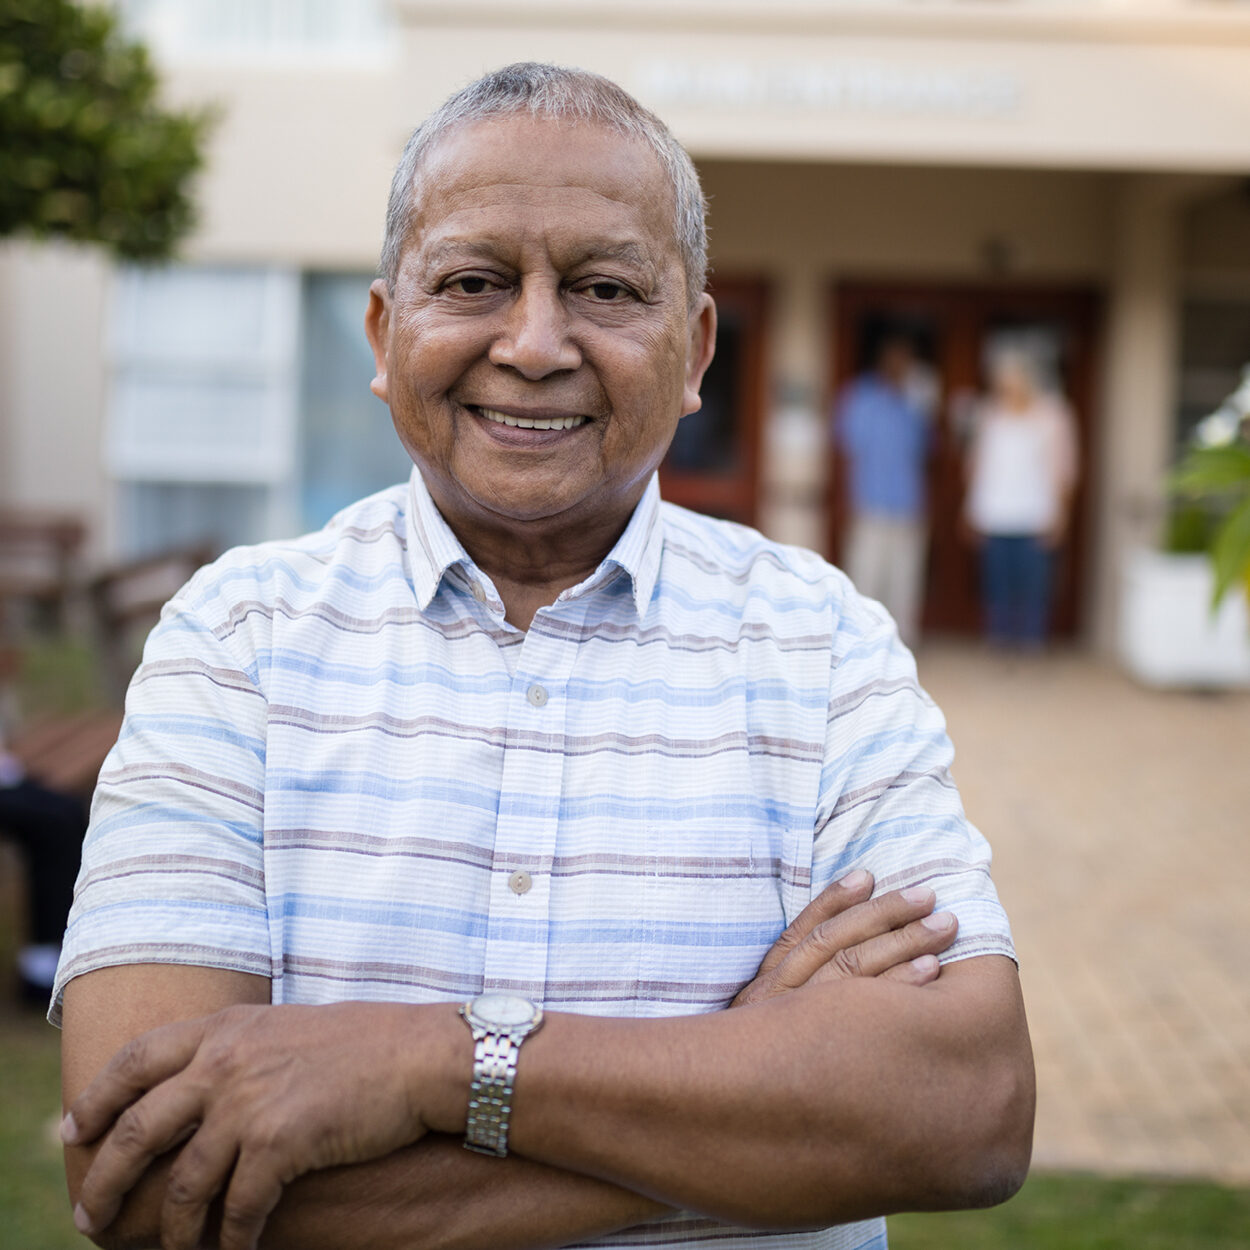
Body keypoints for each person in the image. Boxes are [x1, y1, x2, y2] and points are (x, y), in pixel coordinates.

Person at [56, 64, 1033, 1250]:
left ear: (694, 350)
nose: (531, 343)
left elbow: (965, 1110)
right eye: (471, 281)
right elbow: (150, 1177)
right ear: (381, 330)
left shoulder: (820, 642)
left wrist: (432, 1061)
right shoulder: (235, 640)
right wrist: (750, 1097)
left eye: (604, 287)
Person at [963, 349, 1079, 649]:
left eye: (1014, 383)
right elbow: (978, 468)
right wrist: (970, 511)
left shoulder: (1053, 416)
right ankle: (999, 643)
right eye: (1004, 384)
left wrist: (1061, 514)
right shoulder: (990, 415)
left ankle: (1030, 645)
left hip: (1035, 516)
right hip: (995, 514)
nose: (1009, 390)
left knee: (1033, 587)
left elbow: (1065, 470)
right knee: (997, 584)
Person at [834, 334, 935, 648]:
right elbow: (844, 446)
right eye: (896, 358)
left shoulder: (917, 400)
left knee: (905, 582)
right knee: (866, 577)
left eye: (907, 360)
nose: (901, 366)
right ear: (883, 360)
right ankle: (863, 645)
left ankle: (901, 647)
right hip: (870, 504)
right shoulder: (859, 396)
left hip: (908, 506)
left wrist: (922, 402)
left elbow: (928, 449)